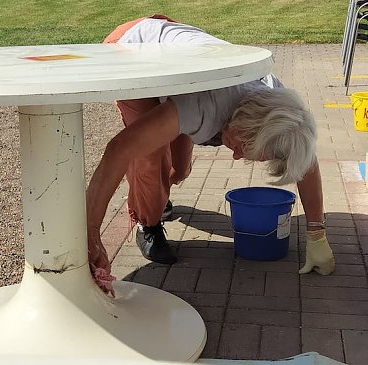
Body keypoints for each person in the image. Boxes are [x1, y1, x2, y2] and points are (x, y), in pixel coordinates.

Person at [86, 15, 335, 281]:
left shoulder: (277, 101)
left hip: (182, 69)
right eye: (242, 146)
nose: (236, 156)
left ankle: (156, 197)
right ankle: (148, 223)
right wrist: (89, 234)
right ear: (243, 120)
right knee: (150, 156)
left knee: (179, 169)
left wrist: (316, 233)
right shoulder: (204, 105)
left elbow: (304, 158)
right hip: (132, 49)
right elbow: (119, 149)